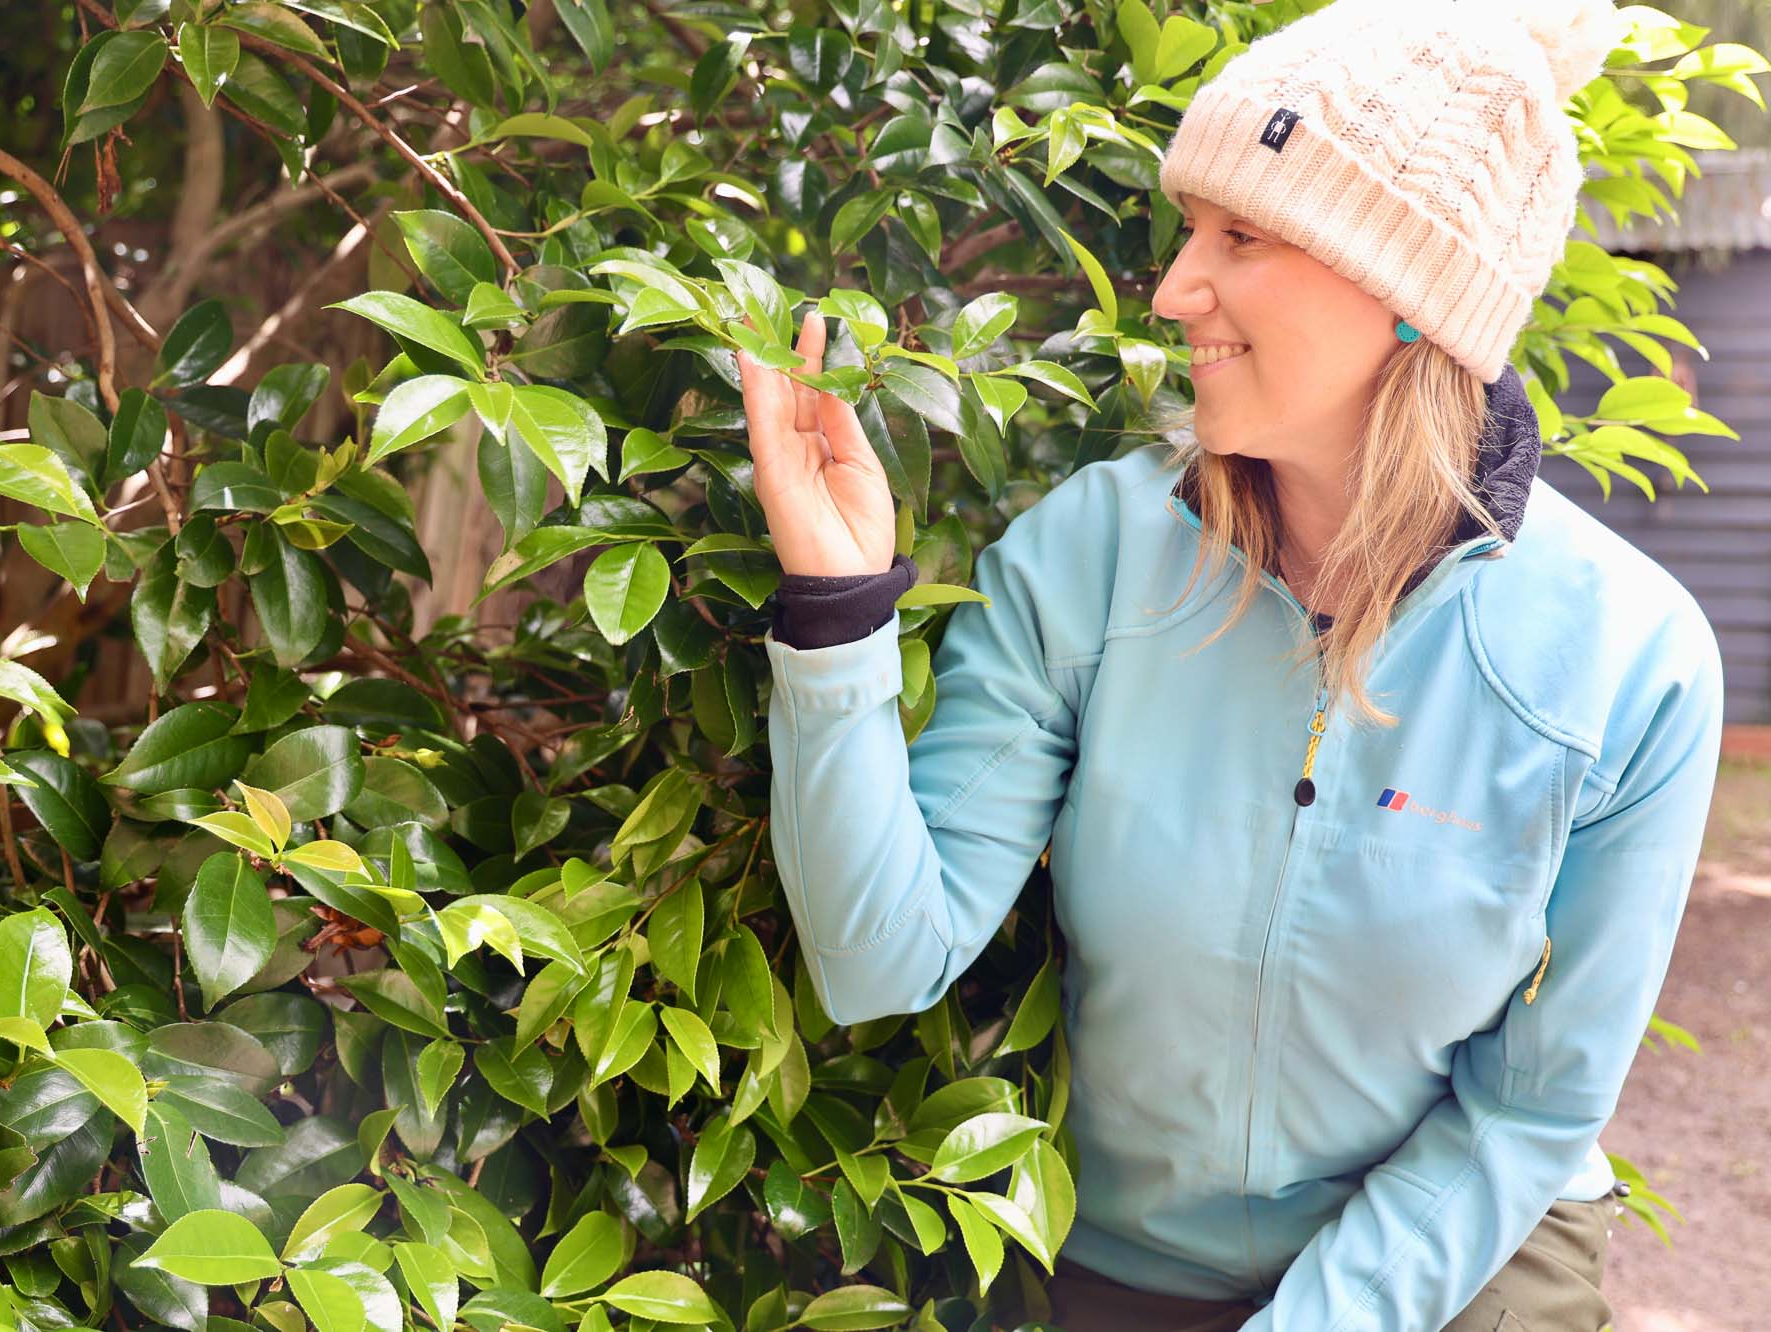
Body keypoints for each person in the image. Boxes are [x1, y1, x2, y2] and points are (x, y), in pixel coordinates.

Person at [737, 0, 1728, 1329]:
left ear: (1405, 293)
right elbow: (879, 960)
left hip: (1455, 1261)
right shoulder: (1087, 558)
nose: (1170, 289)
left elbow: (1532, 1110)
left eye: (1242, 235)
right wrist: (839, 602)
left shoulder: (1630, 657)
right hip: (1127, 1266)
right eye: (1189, 228)